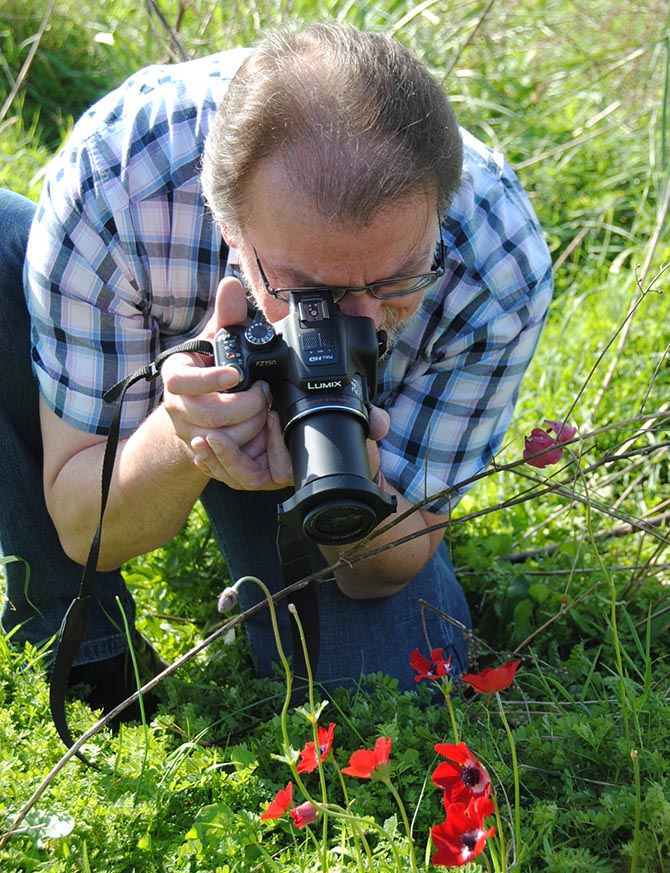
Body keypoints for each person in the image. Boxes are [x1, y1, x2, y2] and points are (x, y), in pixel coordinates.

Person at [0, 23, 552, 718]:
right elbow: (86, 527)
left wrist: (350, 476)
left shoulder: (497, 259)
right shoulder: (119, 179)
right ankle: (85, 648)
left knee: (379, 692)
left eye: (395, 281)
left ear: (440, 213)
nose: (355, 320)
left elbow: (391, 565)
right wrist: (186, 435)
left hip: (339, 469)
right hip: (154, 381)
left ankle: (279, 545)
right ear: (229, 227)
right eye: (305, 289)